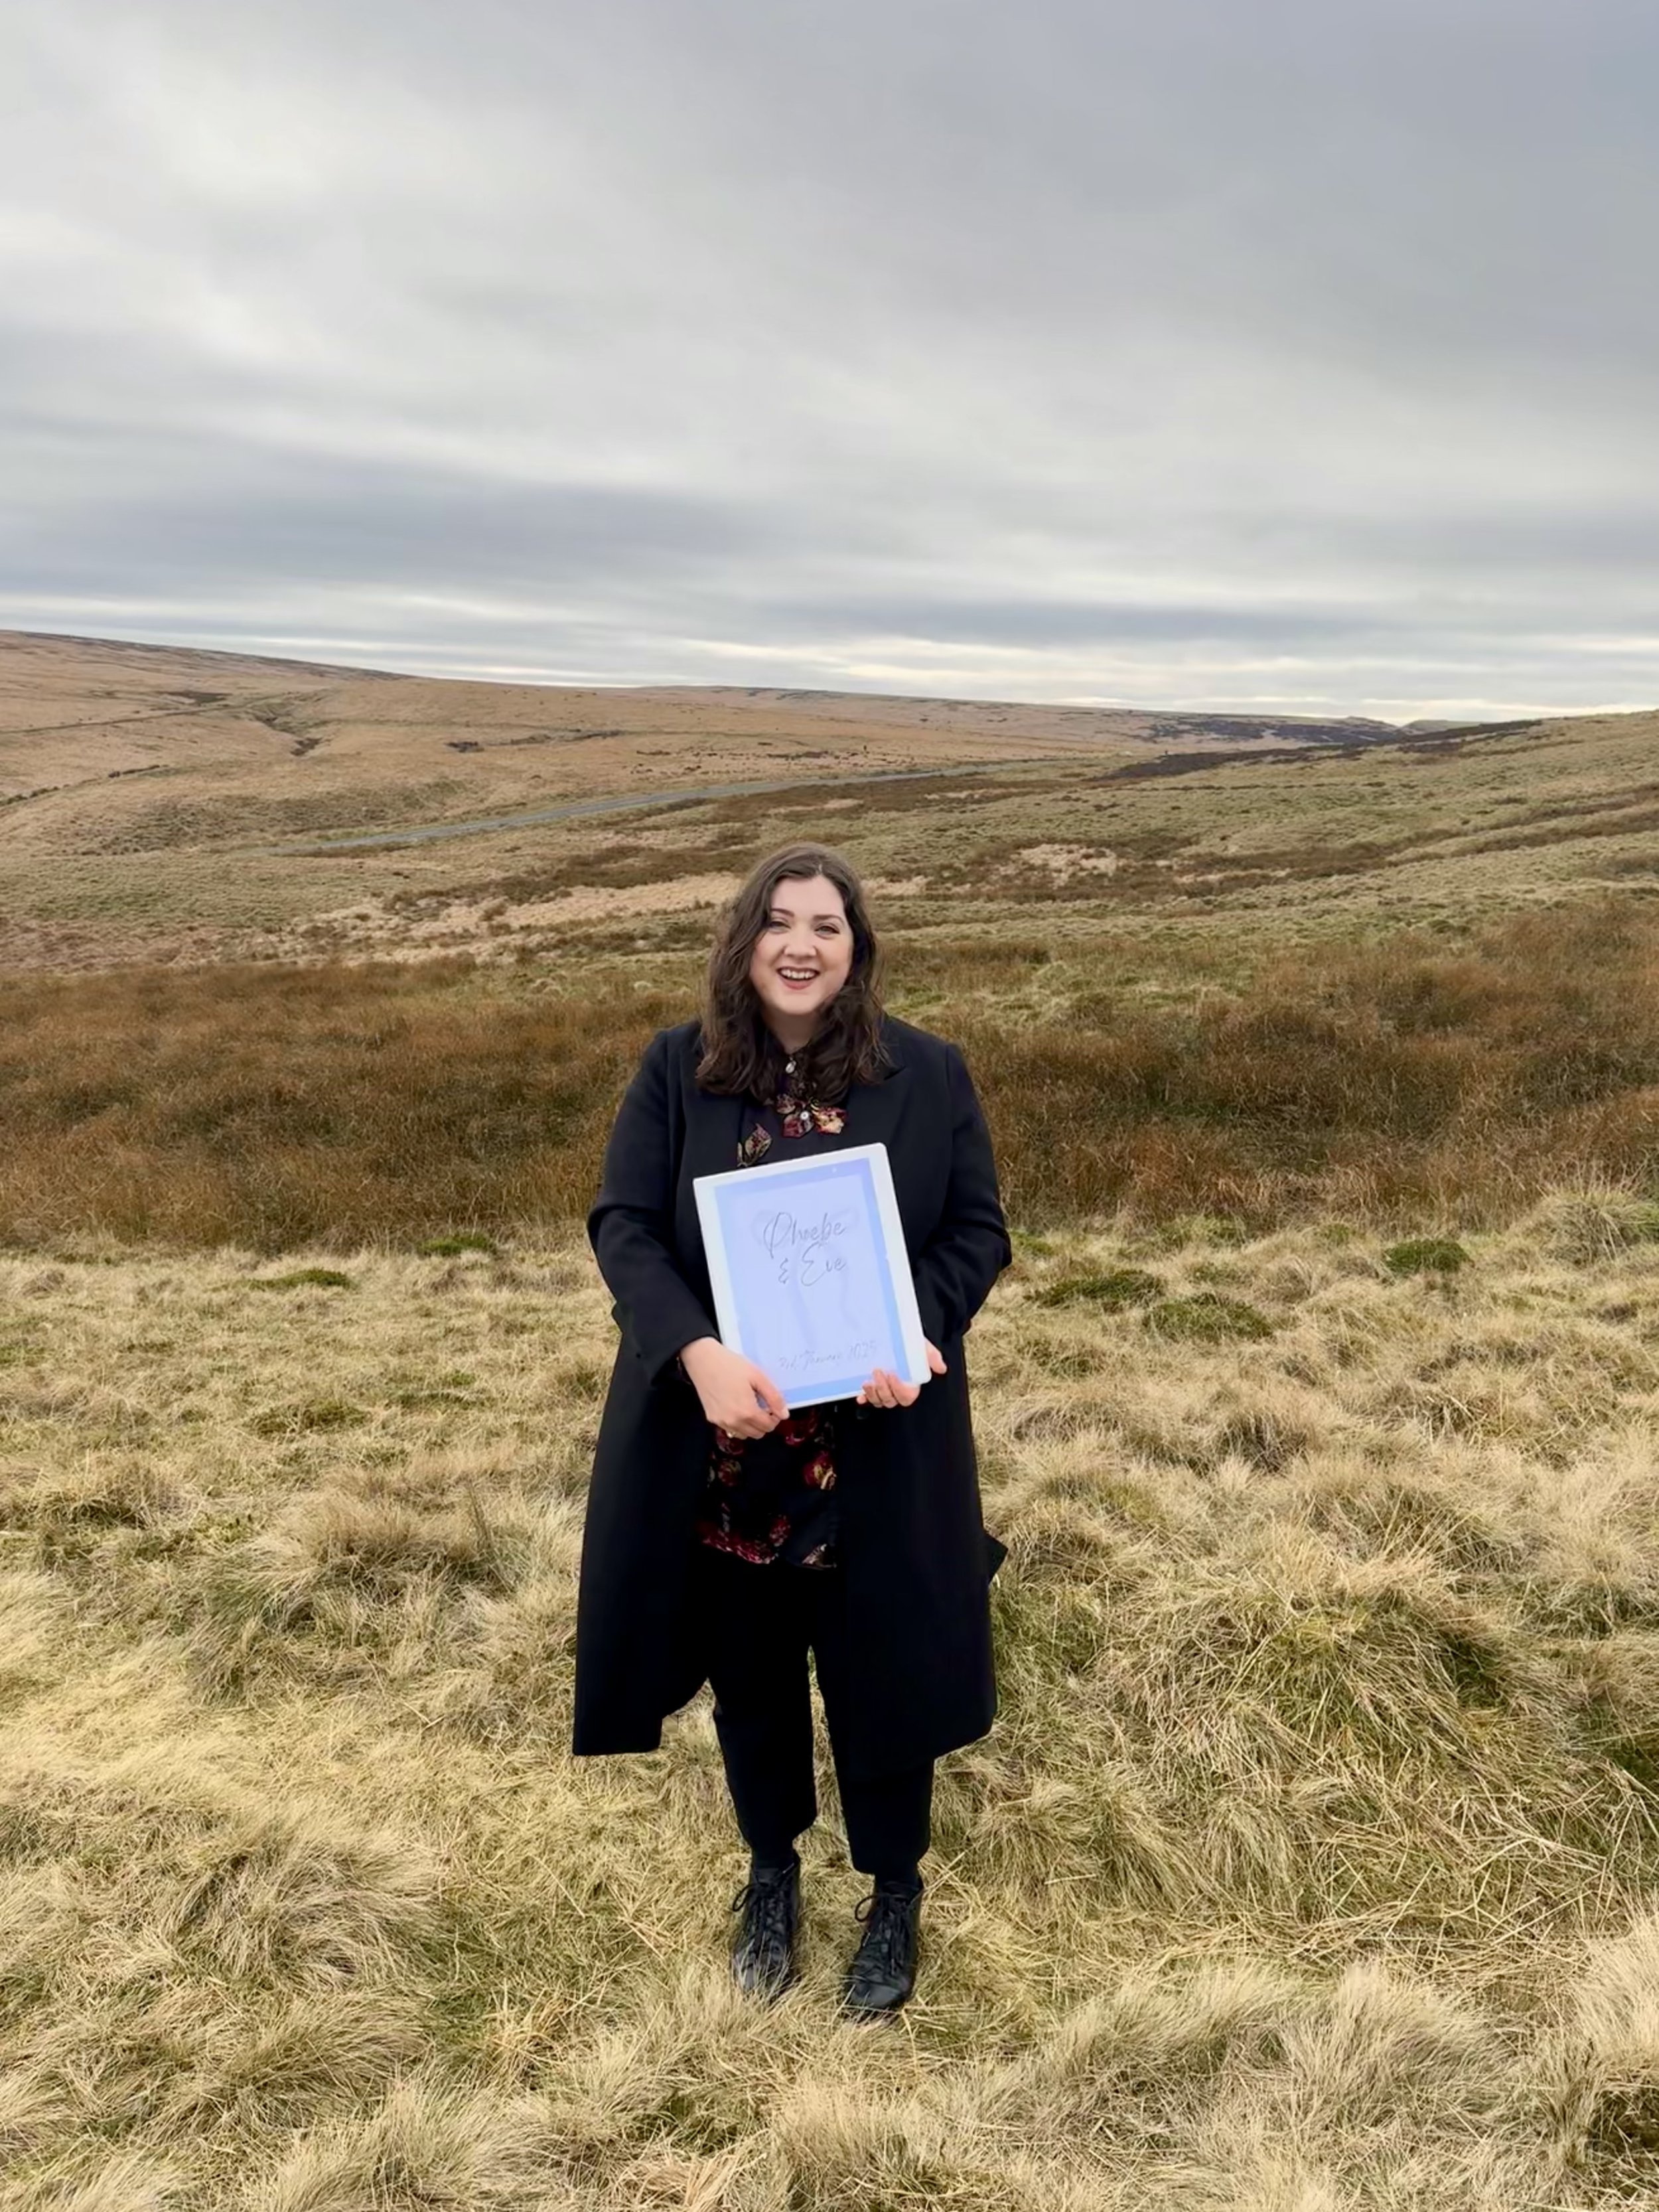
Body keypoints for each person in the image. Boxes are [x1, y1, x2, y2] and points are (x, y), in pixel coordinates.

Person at [574, 841, 1011, 2014]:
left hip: (878, 1454)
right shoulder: (678, 1071)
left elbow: (976, 1232)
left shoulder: (928, 1073)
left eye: (826, 924)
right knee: (754, 1685)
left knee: (885, 1683)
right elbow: (624, 1225)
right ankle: (771, 1872)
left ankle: (894, 1890)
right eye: (778, 920)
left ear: (857, 948)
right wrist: (695, 1352)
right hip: (725, 1458)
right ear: (744, 939)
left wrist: (911, 1331)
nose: (801, 945)